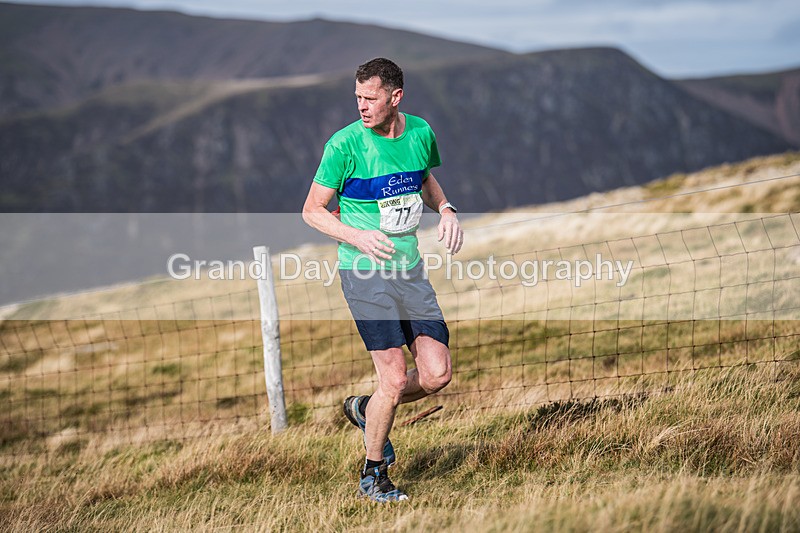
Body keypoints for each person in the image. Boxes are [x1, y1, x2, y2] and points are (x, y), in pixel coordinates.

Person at [302, 57, 463, 502]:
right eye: (357, 98)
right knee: (392, 380)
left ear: (396, 98)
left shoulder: (420, 133)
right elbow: (312, 211)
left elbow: (424, 179)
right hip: (364, 272)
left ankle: (364, 408)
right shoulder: (343, 146)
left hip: (409, 272)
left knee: (436, 375)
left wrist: (446, 209)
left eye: (370, 99)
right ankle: (374, 476)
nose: (362, 106)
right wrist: (358, 236)